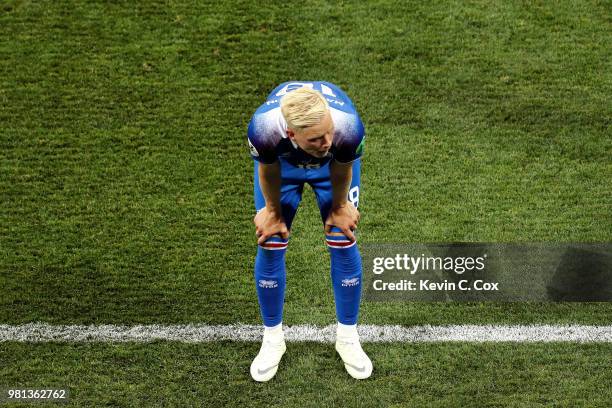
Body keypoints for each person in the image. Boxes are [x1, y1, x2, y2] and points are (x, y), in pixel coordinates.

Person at [247, 81, 372, 382]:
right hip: (282, 165)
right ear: (291, 133)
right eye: (317, 138)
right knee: (271, 239)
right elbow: (267, 168)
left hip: (332, 169)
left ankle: (347, 336)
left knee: (343, 238)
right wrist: (274, 214)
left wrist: (340, 207)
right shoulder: (263, 129)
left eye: (329, 131)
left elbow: (343, 165)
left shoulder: (347, 128)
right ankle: (272, 339)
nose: (327, 140)